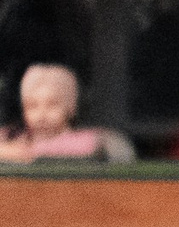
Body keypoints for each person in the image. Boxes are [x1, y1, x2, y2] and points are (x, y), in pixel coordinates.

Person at [0, 62, 132, 163]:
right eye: (32, 106)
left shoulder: (88, 141)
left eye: (52, 105)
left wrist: (18, 152)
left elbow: (30, 154)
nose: (41, 115)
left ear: (70, 107)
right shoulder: (10, 135)